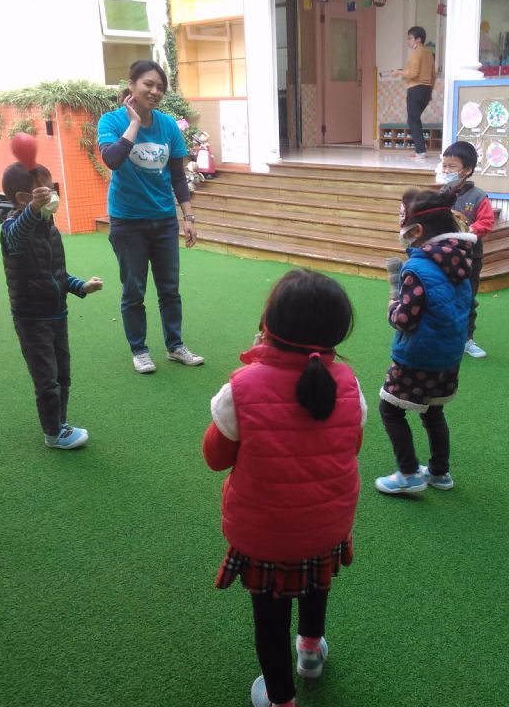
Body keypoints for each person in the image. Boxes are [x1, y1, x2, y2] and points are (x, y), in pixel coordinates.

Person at [202, 269, 366, 707]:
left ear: (268, 325)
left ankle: (280, 699)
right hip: (327, 526)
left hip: (265, 536)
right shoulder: (349, 384)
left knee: (270, 619)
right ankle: (310, 651)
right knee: (316, 585)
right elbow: (352, 445)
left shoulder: (241, 388)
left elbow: (215, 457)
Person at [97, 59, 203, 374]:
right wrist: (133, 123)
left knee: (170, 288)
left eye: (160, 87)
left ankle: (175, 346)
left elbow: (178, 177)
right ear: (131, 85)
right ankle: (139, 350)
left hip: (164, 220)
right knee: (134, 290)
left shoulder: (168, 126)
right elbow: (113, 160)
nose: (155, 91)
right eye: (148, 84)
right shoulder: (111, 121)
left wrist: (188, 217)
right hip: (128, 221)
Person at [374, 188, 475, 494]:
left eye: (404, 228)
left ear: (417, 231)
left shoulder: (417, 268)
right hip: (449, 354)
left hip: (418, 356)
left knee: (390, 409)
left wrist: (392, 306)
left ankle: (408, 474)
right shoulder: (460, 261)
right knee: (433, 412)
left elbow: (405, 319)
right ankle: (439, 473)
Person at [0, 162, 103, 449]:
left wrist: (81, 286)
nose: (52, 194)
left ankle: (60, 423)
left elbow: (56, 274)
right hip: (32, 318)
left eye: (52, 188)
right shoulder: (11, 230)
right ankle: (52, 433)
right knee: (46, 378)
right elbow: (17, 234)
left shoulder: (48, 227)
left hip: (57, 313)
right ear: (24, 198)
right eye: (45, 191)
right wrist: (34, 209)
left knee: (62, 374)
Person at [437, 141, 495, 359]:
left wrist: (468, 230)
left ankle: (466, 339)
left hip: (470, 258)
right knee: (442, 297)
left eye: (451, 166)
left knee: (467, 298)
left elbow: (487, 222)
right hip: (443, 257)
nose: (446, 171)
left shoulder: (478, 196)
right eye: (444, 166)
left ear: (467, 170)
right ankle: (443, 335)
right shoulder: (441, 193)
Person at [391, 26, 436, 161]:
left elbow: (413, 73)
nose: (408, 41)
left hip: (415, 89)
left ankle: (420, 151)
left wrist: (398, 72)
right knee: (415, 119)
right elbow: (433, 76)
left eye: (410, 38)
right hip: (426, 89)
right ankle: (421, 149)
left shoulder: (416, 52)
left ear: (418, 39)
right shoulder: (429, 54)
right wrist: (430, 92)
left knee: (413, 120)